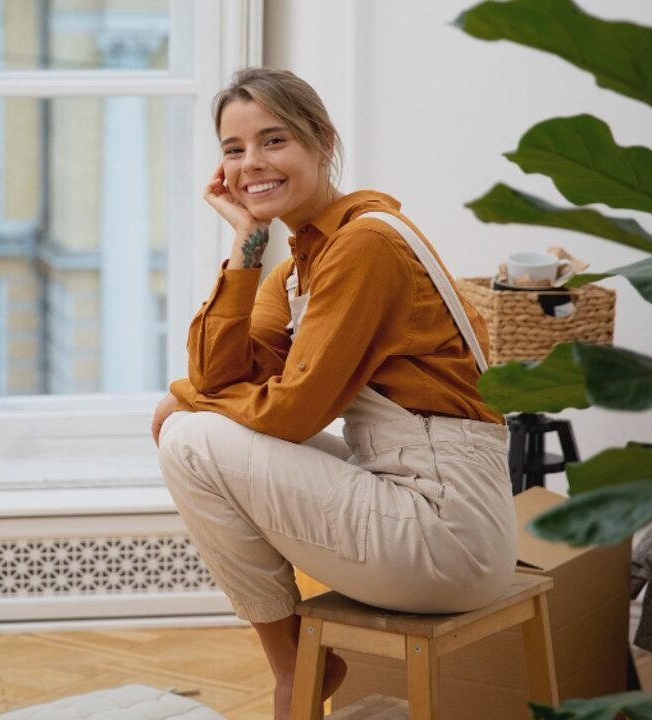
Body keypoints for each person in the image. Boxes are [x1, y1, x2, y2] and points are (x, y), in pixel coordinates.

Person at [151, 67, 516, 720]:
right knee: (190, 424)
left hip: (447, 530)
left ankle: (294, 672)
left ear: (323, 143)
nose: (251, 163)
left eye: (273, 140)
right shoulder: (297, 265)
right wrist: (245, 242)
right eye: (234, 150)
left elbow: (289, 414)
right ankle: (297, 664)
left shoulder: (365, 245)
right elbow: (219, 378)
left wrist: (183, 401)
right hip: (404, 493)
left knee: (187, 436)